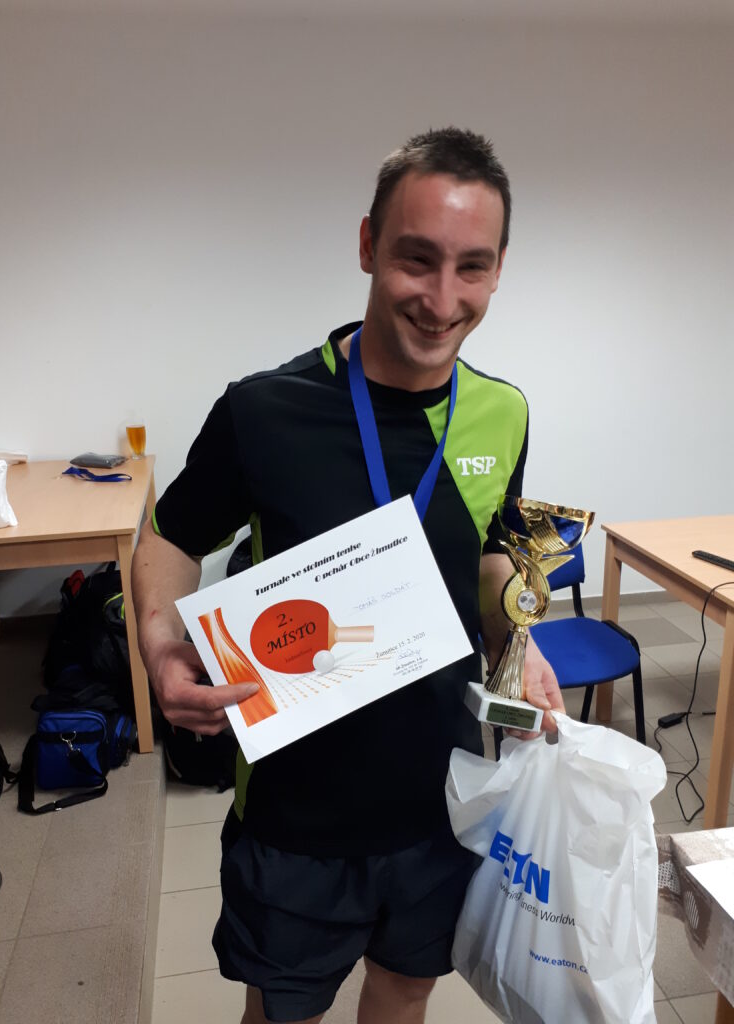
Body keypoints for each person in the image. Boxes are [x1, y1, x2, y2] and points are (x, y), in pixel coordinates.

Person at [132, 127, 565, 1024]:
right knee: (282, 1012)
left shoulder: (504, 412)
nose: (442, 300)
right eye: (417, 258)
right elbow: (169, 538)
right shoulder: (265, 411)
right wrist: (160, 644)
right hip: (297, 811)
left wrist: (514, 638)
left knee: (404, 995)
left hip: (441, 790)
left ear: (499, 270)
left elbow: (489, 551)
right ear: (368, 245)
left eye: (473, 267)